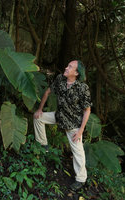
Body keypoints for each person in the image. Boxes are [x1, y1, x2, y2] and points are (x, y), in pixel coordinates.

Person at [33, 60, 91, 191]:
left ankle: (81, 179)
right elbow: (48, 91)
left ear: (76, 73)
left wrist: (81, 130)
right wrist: (40, 109)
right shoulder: (60, 79)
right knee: (38, 118)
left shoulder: (83, 88)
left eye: (70, 67)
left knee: (78, 152)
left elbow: (87, 110)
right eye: (67, 65)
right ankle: (43, 145)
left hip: (73, 124)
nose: (66, 67)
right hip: (59, 116)